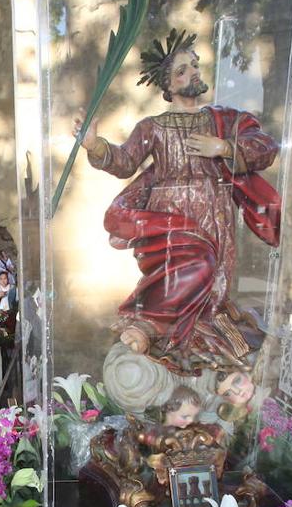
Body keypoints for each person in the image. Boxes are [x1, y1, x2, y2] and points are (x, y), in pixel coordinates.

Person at [74, 29, 280, 375]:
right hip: (168, 218)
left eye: (194, 66)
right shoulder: (152, 126)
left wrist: (226, 148)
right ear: (167, 86)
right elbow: (125, 161)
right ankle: (147, 326)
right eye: (182, 70)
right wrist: (95, 146)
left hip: (214, 213)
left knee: (212, 286)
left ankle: (189, 344)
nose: (193, 73)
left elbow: (265, 147)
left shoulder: (224, 121)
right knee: (191, 268)